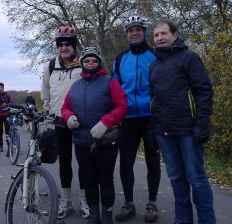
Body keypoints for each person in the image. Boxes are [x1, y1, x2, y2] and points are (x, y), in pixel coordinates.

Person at [149, 19, 216, 224]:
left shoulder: (189, 58)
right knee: (177, 179)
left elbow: (204, 92)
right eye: (156, 35)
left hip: (188, 130)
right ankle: (182, 220)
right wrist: (154, 129)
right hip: (164, 132)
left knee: (196, 179)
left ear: (175, 35)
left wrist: (202, 125)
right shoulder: (154, 65)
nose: (160, 38)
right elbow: (155, 99)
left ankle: (207, 220)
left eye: (163, 34)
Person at [62, 47, 128, 224]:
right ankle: (94, 213)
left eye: (94, 60)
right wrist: (69, 117)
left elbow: (122, 105)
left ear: (99, 62)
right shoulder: (75, 86)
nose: (90, 63)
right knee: (89, 177)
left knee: (105, 178)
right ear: (82, 63)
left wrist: (106, 122)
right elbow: (65, 107)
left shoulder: (110, 82)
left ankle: (106, 213)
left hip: (105, 139)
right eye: (86, 60)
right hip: (82, 140)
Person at [112, 16, 161, 223]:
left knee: (152, 161)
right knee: (126, 163)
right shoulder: (121, 58)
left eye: (138, 30)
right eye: (130, 30)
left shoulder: (156, 56)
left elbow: (163, 85)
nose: (134, 33)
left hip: (151, 117)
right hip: (128, 118)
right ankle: (129, 204)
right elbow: (114, 89)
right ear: (126, 35)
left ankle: (152, 204)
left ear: (144, 32)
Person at [40, 26, 91, 219]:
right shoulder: (52, 65)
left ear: (74, 46)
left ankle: (84, 199)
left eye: (68, 44)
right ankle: (66, 200)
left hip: (80, 122)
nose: (64, 47)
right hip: (60, 121)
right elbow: (45, 89)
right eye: (60, 44)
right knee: (65, 162)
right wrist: (48, 106)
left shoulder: (83, 64)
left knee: (84, 162)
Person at [0, 82, 11, 155]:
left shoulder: (7, 95)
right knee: (0, 131)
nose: (0, 88)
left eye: (1, 87)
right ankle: (0, 146)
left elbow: (10, 103)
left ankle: (9, 146)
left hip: (6, 114)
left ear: (3, 88)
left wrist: (6, 104)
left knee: (8, 130)